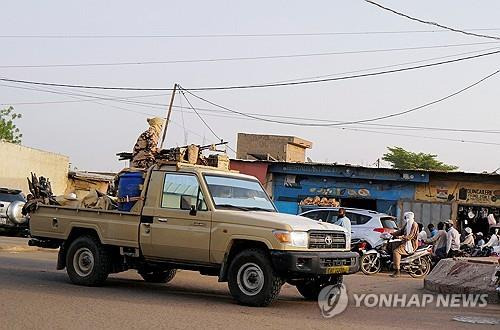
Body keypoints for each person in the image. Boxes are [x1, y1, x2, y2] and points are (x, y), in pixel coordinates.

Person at [390, 211, 419, 278]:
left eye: (405, 217)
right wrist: (392, 233)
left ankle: (397, 271)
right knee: (392, 245)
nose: (405, 218)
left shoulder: (414, 225)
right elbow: (401, 231)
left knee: (396, 251)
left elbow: (410, 236)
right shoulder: (407, 224)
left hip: (410, 244)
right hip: (405, 242)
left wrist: (401, 237)